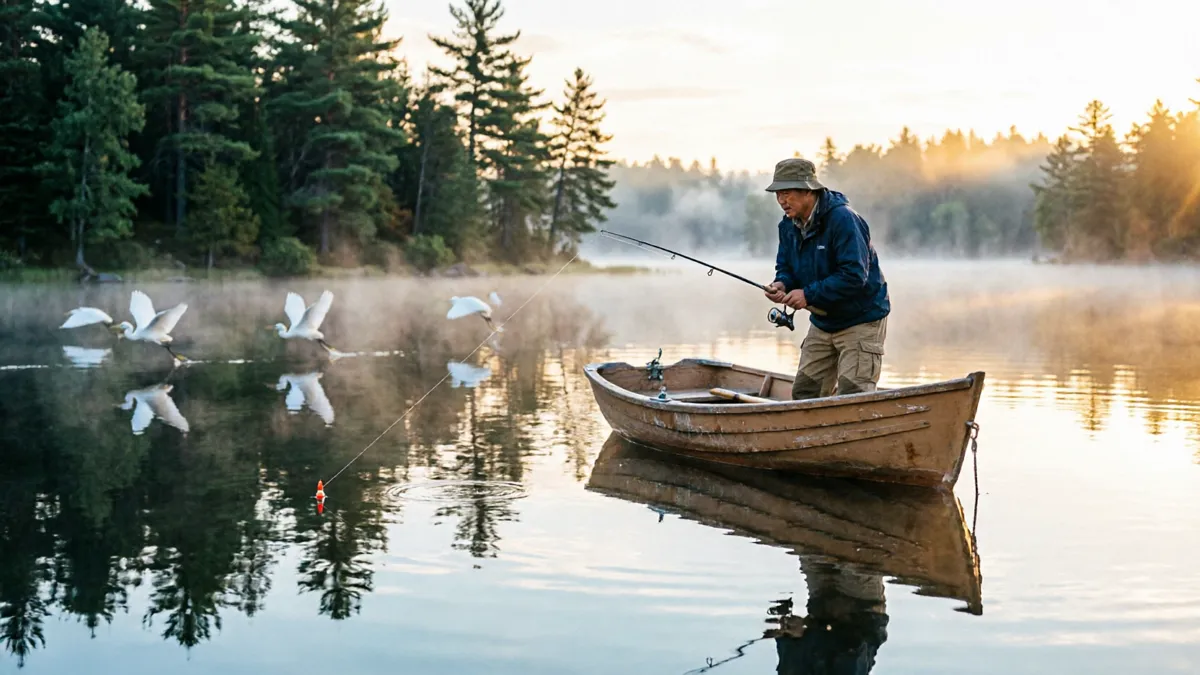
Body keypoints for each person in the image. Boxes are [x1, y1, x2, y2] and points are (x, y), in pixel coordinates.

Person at [762, 158, 890, 400]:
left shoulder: (844, 219)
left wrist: (807, 294)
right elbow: (786, 266)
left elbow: (854, 276)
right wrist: (782, 283)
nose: (781, 201)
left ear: (808, 190)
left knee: (853, 397)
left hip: (861, 319)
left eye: (787, 193)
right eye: (778, 194)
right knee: (805, 393)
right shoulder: (787, 226)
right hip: (824, 321)